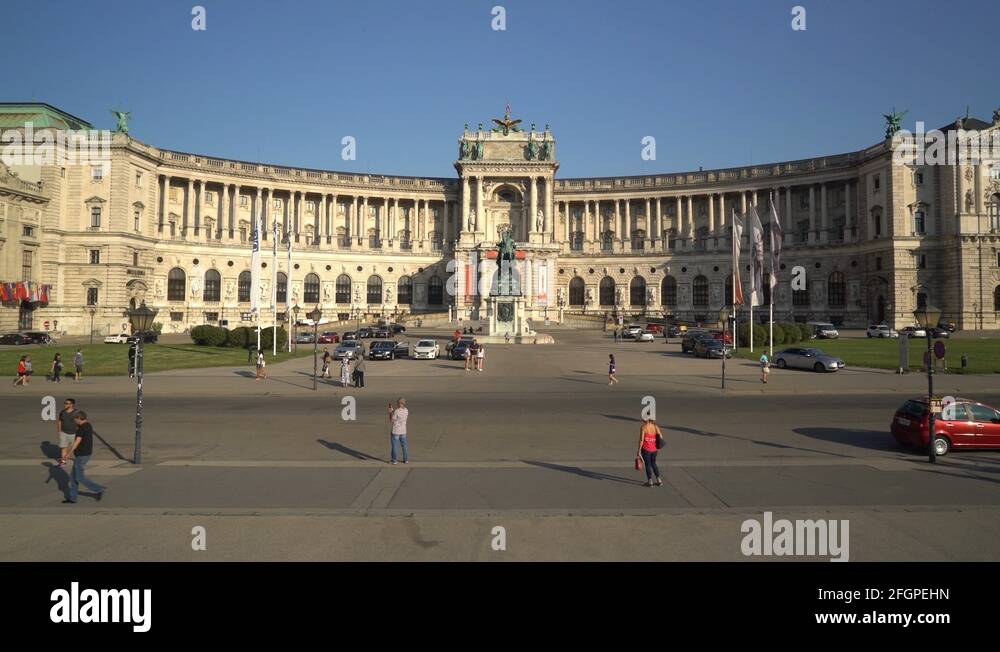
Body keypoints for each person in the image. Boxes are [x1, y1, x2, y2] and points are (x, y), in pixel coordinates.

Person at [63, 411, 106, 503]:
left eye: (75, 419)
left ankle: (99, 489)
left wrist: (68, 454)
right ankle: (72, 498)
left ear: (79, 418)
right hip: (85, 453)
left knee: (79, 477)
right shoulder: (88, 425)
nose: (74, 421)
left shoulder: (82, 428)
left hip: (82, 455)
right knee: (73, 477)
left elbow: (77, 442)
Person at [637, 418, 664, 487]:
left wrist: (639, 450)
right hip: (654, 449)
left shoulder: (643, 427)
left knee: (648, 465)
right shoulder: (655, 426)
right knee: (654, 463)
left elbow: (641, 440)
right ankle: (659, 480)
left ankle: (650, 481)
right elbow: (661, 436)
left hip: (646, 449)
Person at [57, 398, 78, 468]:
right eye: (65, 403)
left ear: (71, 405)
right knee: (63, 447)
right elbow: (59, 421)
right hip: (64, 433)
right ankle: (63, 462)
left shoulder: (76, 412)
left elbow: (80, 422)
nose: (65, 405)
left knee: (74, 448)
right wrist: (59, 431)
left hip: (74, 433)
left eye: (66, 403)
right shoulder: (62, 412)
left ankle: (78, 461)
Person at [387, 398, 409, 464]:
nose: (397, 404)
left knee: (395, 446)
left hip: (396, 431)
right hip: (403, 430)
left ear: (400, 403)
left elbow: (392, 420)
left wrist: (390, 413)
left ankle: (394, 460)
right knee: (404, 446)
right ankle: (406, 459)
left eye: (398, 403)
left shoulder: (396, 411)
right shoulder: (406, 410)